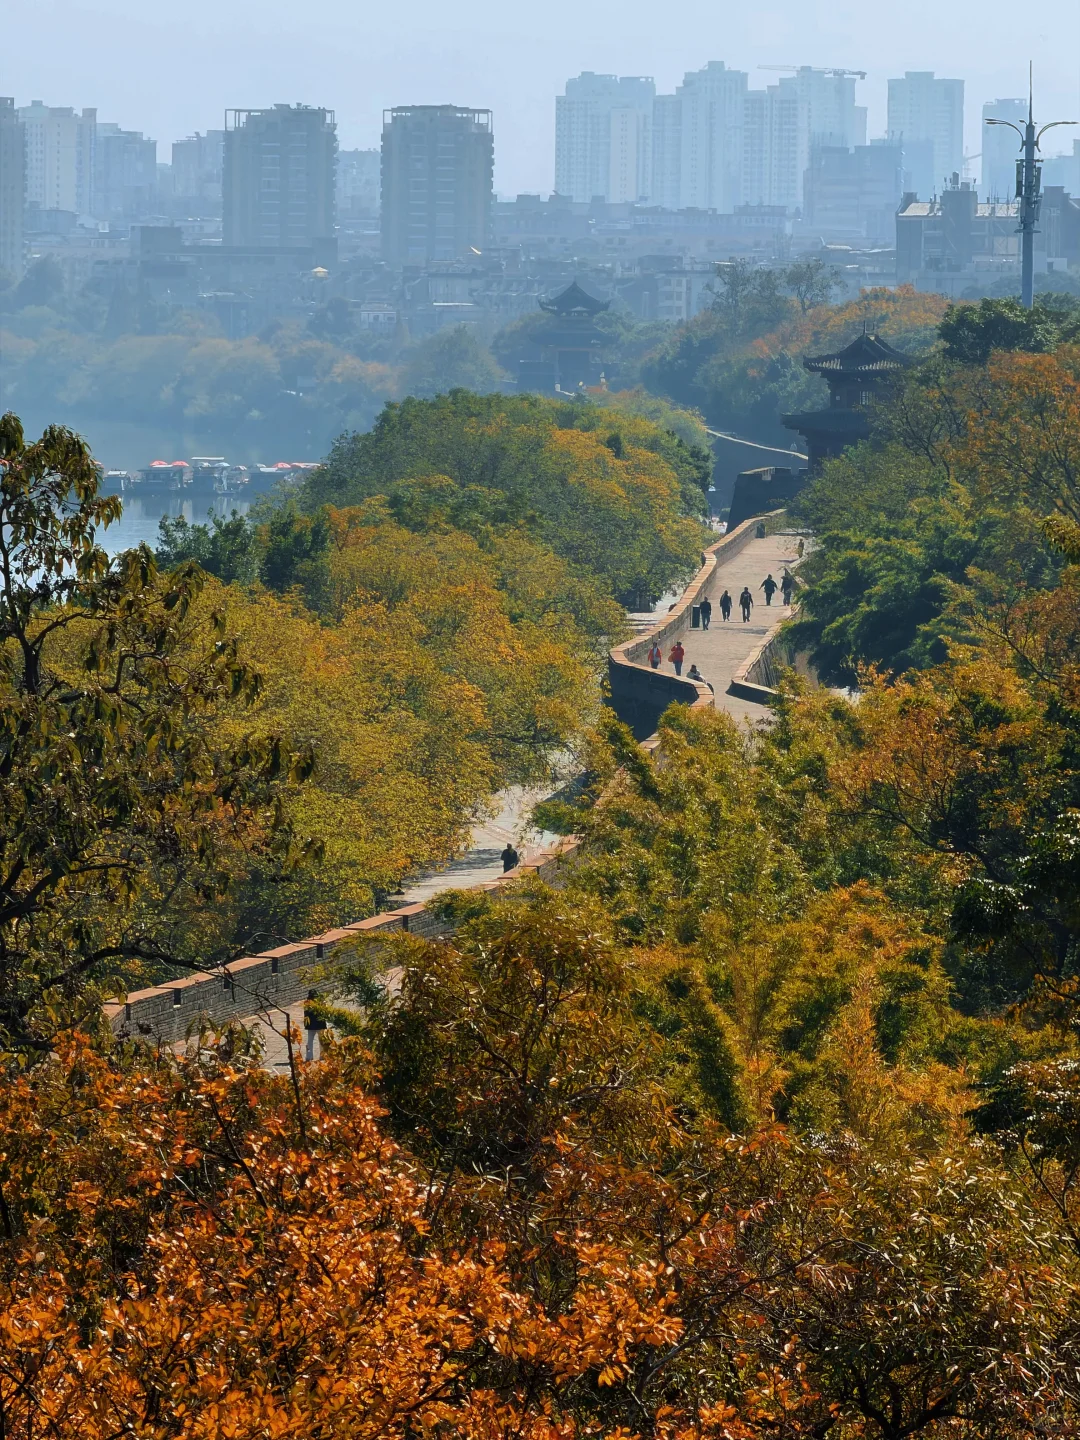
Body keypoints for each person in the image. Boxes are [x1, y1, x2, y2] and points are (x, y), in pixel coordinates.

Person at [303, 988, 327, 1062]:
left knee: (310, 1041)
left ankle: (309, 1056)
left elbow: (306, 1014)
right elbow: (325, 1011)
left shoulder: (306, 1003)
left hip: (311, 1025)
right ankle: (322, 1056)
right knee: (322, 1040)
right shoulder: (321, 1002)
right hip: (320, 1023)